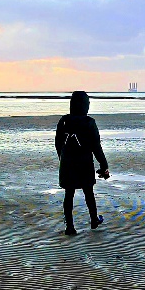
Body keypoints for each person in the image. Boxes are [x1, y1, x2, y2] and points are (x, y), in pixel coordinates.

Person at [54, 90, 110, 235]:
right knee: (88, 192)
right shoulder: (89, 122)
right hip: (84, 162)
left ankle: (70, 227)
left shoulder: (64, 121)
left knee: (69, 194)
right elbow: (96, 147)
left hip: (67, 163)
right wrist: (104, 165)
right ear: (85, 105)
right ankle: (94, 220)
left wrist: (62, 157)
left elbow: (57, 142)